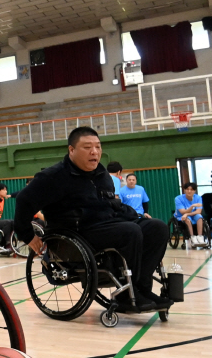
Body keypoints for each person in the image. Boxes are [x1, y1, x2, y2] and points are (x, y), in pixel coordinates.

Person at [14, 127, 171, 313]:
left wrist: (136, 215)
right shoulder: (53, 177)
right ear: (71, 150)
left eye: (98, 146)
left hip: (108, 223)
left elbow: (112, 203)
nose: (94, 152)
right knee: (130, 231)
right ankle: (129, 293)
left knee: (157, 228)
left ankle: (141, 289)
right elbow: (24, 200)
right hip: (79, 231)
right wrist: (27, 235)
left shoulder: (101, 174)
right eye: (87, 147)